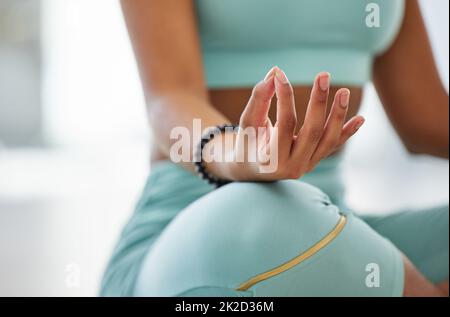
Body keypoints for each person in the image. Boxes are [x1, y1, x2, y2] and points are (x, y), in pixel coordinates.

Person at [101, 0, 449, 296]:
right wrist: (237, 154)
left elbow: (425, 119)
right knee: (264, 212)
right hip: (194, 229)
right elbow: (169, 98)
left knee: (307, 224)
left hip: (331, 224)